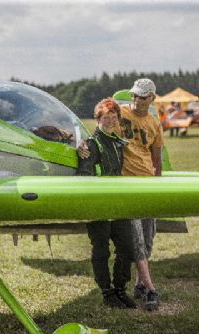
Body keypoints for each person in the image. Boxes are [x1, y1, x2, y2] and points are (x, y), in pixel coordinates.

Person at [79, 78, 164, 311]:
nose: (136, 100)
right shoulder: (105, 129)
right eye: (134, 95)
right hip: (113, 197)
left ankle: (128, 287)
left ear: (152, 99)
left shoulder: (143, 130)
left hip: (135, 193)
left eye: (142, 96)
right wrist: (77, 143)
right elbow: (95, 137)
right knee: (117, 245)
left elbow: (157, 159)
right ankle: (130, 290)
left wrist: (158, 186)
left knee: (137, 244)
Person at [77, 97, 137, 309]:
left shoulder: (117, 142)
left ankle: (120, 289)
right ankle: (107, 292)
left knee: (128, 248)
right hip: (99, 206)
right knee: (101, 250)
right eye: (106, 117)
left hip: (118, 205)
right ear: (98, 119)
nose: (111, 121)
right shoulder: (91, 145)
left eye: (114, 117)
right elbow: (84, 175)